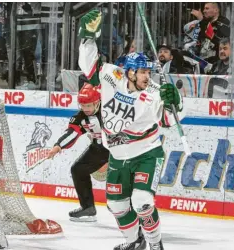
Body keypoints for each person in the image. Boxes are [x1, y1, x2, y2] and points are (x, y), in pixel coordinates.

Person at [78, 10, 183, 250]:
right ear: (130, 72)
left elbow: (170, 121)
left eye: (149, 71)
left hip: (147, 153)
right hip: (118, 155)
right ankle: (134, 241)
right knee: (117, 205)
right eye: (143, 72)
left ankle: (156, 245)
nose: (148, 76)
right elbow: (88, 65)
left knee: (143, 201)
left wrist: (174, 101)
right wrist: (88, 38)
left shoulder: (155, 91)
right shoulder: (112, 76)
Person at [46, 80, 109, 222]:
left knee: (118, 191)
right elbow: (72, 133)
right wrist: (58, 146)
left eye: (88, 105)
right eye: (82, 105)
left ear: (97, 102)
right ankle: (88, 207)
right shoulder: (80, 117)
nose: (85, 108)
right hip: (99, 148)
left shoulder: (109, 111)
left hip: (119, 149)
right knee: (78, 169)